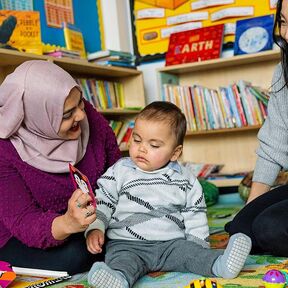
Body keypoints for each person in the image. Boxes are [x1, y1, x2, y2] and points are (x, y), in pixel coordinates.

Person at [85, 101, 252, 288]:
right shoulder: (120, 170)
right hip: (127, 244)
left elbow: (195, 214)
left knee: (193, 255)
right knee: (122, 262)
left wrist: (198, 246)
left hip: (171, 245)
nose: (142, 148)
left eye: (154, 145)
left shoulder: (184, 179)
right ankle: (119, 279)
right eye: (137, 140)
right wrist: (96, 227)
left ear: (175, 153)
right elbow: (103, 200)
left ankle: (220, 265)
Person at [0, 60, 121, 274]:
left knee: (135, 236)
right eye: (67, 115)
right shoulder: (4, 150)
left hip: (93, 219)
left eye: (81, 104)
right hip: (22, 234)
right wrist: (67, 223)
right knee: (81, 255)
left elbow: (116, 168)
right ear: (36, 116)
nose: (81, 116)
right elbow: (22, 220)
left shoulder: (85, 114)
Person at [225, 0, 288, 257]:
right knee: (240, 227)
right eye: (283, 22)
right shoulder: (282, 72)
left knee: (269, 228)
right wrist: (250, 208)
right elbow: (274, 143)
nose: (286, 34)